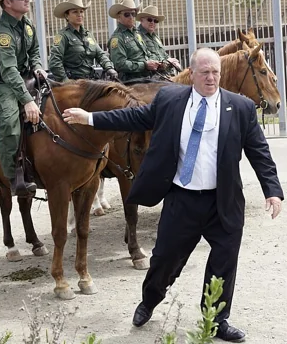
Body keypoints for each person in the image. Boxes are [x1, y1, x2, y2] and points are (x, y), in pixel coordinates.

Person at [61, 47, 283, 342]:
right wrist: (90, 118)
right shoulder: (170, 99)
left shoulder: (240, 108)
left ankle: (217, 319)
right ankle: (149, 301)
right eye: (205, 72)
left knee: (224, 262)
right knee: (165, 261)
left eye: (215, 72)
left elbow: (259, 151)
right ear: (192, 74)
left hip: (224, 202)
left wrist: (273, 190)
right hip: (183, 198)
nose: (211, 77)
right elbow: (133, 117)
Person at [0, 0, 46, 196]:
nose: (28, 0)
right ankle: (12, 177)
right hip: (1, 84)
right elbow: (8, 70)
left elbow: (35, 51)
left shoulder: (27, 25)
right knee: (9, 122)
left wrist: (37, 67)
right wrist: (27, 100)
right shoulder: (1, 33)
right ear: (7, 3)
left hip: (25, 77)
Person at [48, 0, 118, 81]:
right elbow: (55, 62)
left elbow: (100, 54)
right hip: (73, 82)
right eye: (75, 12)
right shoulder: (63, 36)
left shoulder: (88, 35)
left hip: (90, 81)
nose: (79, 15)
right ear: (67, 16)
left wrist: (109, 68)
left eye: (81, 11)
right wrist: (66, 82)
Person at [107, 0, 160, 82]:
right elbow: (120, 64)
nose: (131, 17)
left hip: (146, 78)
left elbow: (146, 52)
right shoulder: (117, 38)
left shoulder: (136, 33)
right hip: (130, 81)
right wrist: (144, 65)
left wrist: (155, 62)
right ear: (118, 17)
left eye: (133, 14)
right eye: (127, 14)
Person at [137, 5, 181, 77]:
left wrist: (171, 60)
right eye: (149, 19)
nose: (153, 23)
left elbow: (163, 53)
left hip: (163, 74)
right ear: (142, 20)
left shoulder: (155, 37)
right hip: (150, 76)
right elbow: (145, 56)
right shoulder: (137, 35)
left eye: (155, 21)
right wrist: (166, 62)